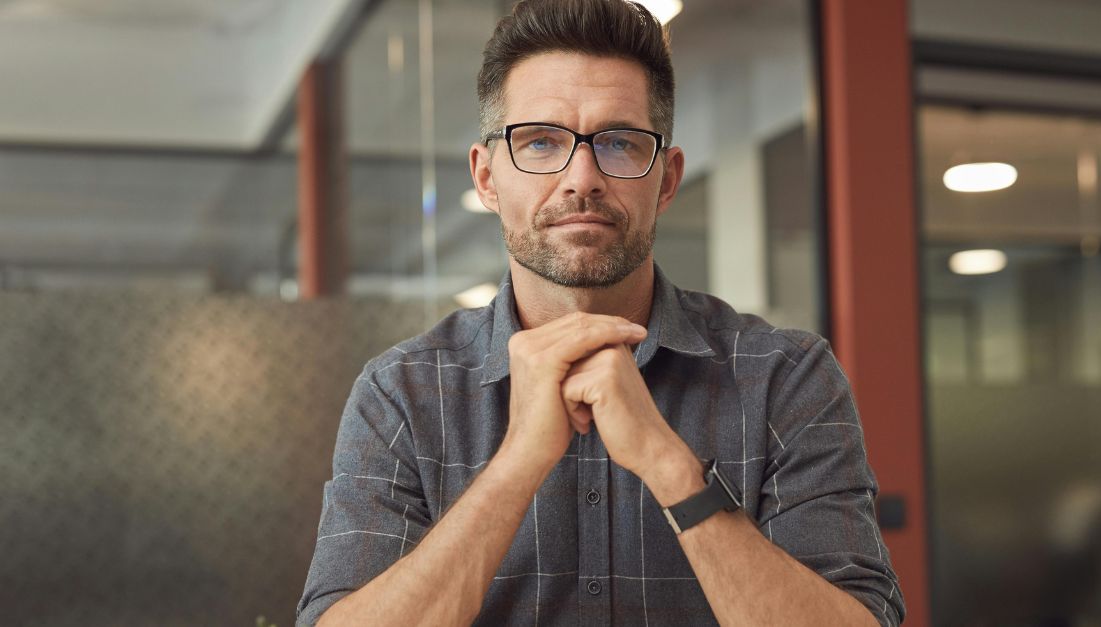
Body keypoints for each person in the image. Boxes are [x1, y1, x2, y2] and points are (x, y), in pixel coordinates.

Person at [296, 0, 904, 625]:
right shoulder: (402, 393)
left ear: (667, 180)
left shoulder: (785, 377)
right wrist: (517, 464)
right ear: (486, 178)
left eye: (619, 143)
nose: (581, 177)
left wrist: (669, 465)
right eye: (540, 142)